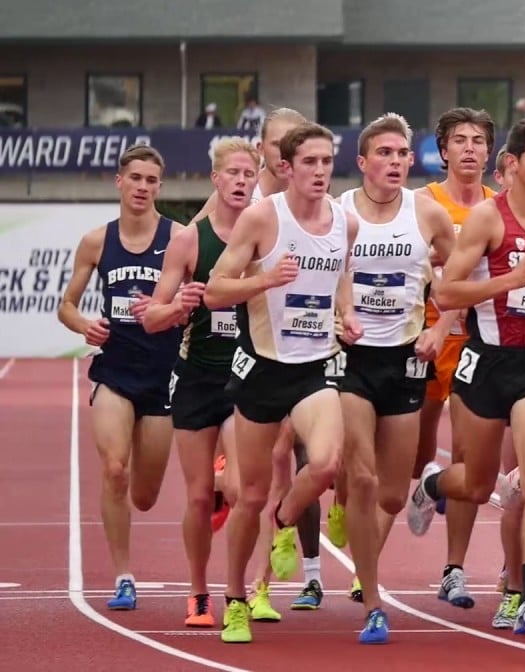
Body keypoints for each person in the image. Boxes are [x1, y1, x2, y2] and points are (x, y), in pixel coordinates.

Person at [412, 117, 525, 636]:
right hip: (485, 362)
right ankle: (431, 484)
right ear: (512, 164)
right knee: (480, 481)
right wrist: (510, 279)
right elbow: (445, 294)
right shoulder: (488, 218)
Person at [204, 122, 362, 644]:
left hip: (315, 367)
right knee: (248, 496)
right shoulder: (261, 217)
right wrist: (264, 280)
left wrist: (348, 312)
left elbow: (341, 275)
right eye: (310, 163)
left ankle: (287, 517)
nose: (320, 172)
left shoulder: (346, 222)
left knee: (326, 463)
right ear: (287, 169)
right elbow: (214, 292)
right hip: (262, 368)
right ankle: (233, 601)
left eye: (326, 162)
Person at [331, 114, 458, 643]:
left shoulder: (427, 213)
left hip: (406, 357)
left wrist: (440, 328)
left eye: (402, 153)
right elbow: (325, 273)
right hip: (352, 359)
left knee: (387, 493)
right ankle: (374, 600)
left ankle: (364, 525)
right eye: (383, 153)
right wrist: (340, 314)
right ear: (362, 163)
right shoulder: (338, 213)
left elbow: (455, 284)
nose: (394, 161)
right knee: (359, 478)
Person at [57, 144, 184, 612]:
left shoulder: (178, 238)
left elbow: (199, 295)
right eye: (136, 178)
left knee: (146, 496)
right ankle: (123, 576)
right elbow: (66, 305)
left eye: (152, 180)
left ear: (159, 186)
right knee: (114, 470)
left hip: (162, 373)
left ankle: (133, 504)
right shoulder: (96, 241)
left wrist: (176, 311)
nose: (143, 187)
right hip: (114, 369)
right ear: (119, 181)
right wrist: (83, 324)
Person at [141, 139, 258, 628]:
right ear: (216, 179)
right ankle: (198, 591)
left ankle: (236, 589)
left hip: (246, 374)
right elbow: (153, 317)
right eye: (232, 173)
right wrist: (181, 306)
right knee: (195, 496)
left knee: (240, 489)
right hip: (196, 376)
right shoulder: (191, 239)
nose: (240, 182)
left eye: (248, 174)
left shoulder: (267, 231)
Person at [403, 107, 496, 612]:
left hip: (472, 343)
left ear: (489, 151)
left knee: (466, 455)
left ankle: (453, 570)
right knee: (410, 458)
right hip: (419, 339)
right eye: (458, 139)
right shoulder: (420, 203)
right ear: (442, 150)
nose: (468, 148)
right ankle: (418, 488)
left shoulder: (500, 208)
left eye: (477, 140)